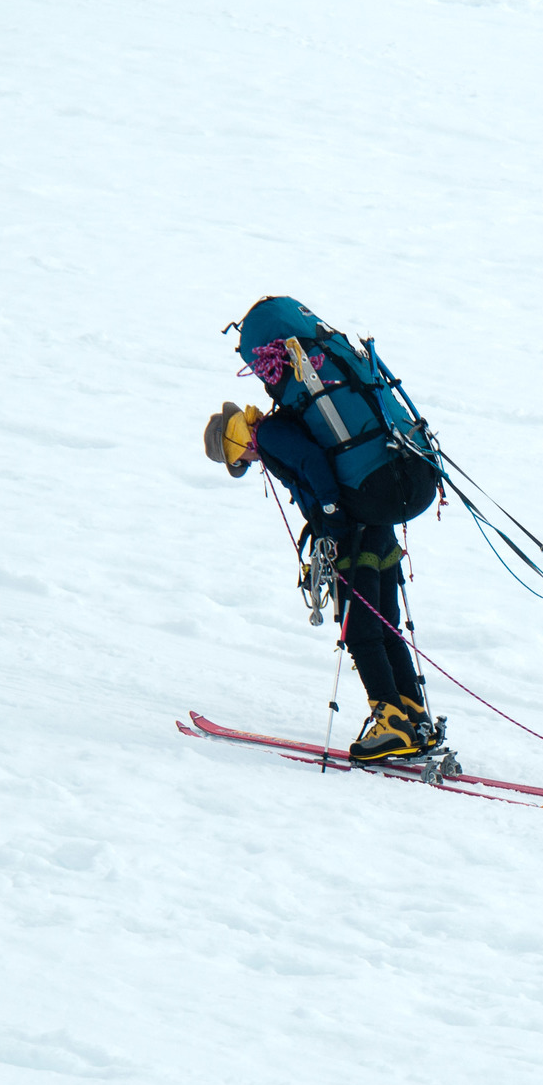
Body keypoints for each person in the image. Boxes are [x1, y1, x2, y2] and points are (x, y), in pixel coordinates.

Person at [201, 297, 443, 763]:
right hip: (376, 519)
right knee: (384, 617)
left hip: (350, 528)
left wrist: (329, 520)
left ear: (237, 442)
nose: (249, 464)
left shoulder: (271, 434)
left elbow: (313, 464)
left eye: (240, 460)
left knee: (358, 627)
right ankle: (412, 711)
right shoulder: (288, 418)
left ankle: (391, 719)